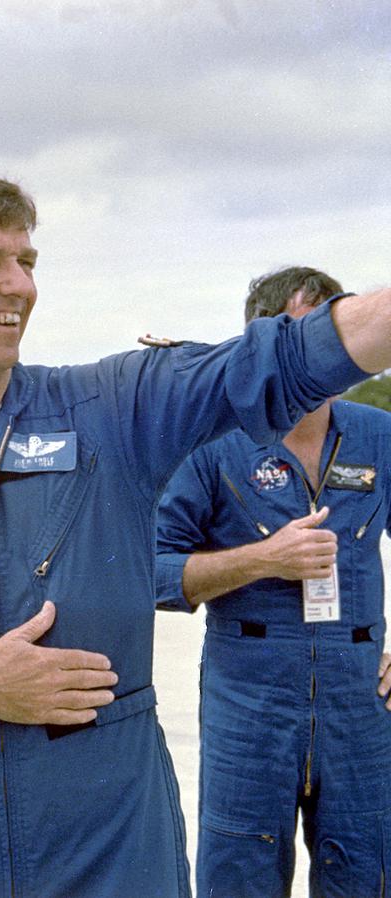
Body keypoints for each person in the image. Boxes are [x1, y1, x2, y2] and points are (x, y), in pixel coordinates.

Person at [0, 169, 391, 897]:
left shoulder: (112, 411)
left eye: (26, 262)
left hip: (119, 858)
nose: (19, 284)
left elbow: (278, 360)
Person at [155, 266, 391, 898]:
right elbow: (154, 570)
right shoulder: (210, 443)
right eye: (300, 334)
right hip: (249, 700)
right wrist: (264, 560)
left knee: (367, 868)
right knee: (239, 875)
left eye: (328, 334)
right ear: (264, 344)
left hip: (361, 699)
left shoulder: (380, 436)